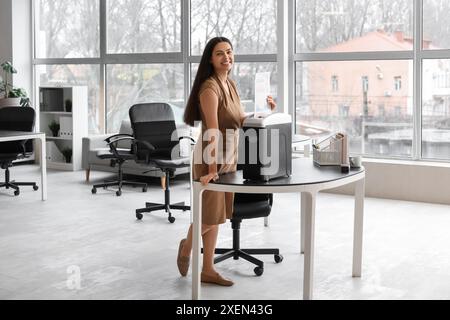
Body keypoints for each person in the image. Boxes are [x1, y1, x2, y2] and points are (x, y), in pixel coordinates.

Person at [177, 36, 276, 286]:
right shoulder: (209, 88)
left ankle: (207, 270)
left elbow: (239, 118)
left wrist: (265, 114)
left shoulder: (230, 84)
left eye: (229, 52)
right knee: (208, 217)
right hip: (210, 159)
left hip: (228, 159)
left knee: (218, 216)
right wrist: (211, 170)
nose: (226, 57)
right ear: (211, 59)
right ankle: (187, 247)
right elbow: (211, 131)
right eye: (220, 53)